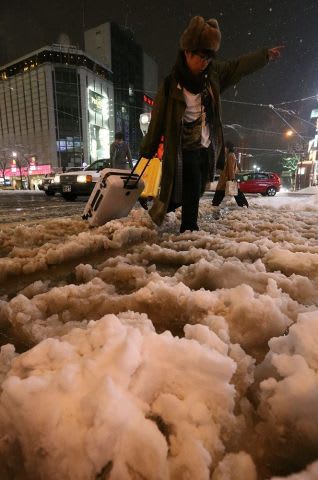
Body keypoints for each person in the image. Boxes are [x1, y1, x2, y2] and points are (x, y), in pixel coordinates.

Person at [139, 15, 283, 232]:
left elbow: (238, 66)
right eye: (201, 57)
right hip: (181, 147)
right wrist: (148, 148)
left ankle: (178, 216)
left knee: (195, 187)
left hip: (206, 146)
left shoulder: (213, 76)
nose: (205, 62)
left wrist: (264, 56)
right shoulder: (170, 85)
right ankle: (189, 227)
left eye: (209, 57)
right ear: (187, 52)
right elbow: (157, 120)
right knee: (187, 185)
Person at [212, 140, 248, 207]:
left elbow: (231, 168)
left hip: (226, 178)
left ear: (228, 148)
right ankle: (243, 204)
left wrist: (232, 178)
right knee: (235, 192)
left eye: (225, 147)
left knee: (221, 191)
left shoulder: (230, 155)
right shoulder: (229, 155)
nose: (224, 149)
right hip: (226, 178)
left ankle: (215, 204)